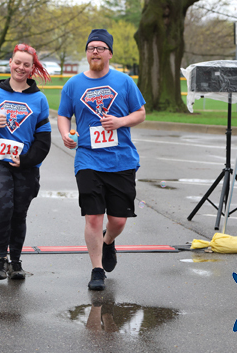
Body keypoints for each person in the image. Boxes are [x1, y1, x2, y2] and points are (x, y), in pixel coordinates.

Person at [57, 29, 146, 290]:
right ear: (87, 53)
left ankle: (108, 241)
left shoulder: (124, 82)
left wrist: (120, 122)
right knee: (94, 217)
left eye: (100, 48)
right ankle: (97, 270)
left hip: (121, 159)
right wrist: (65, 134)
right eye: (91, 48)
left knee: (118, 220)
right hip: (88, 159)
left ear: (109, 53)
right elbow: (63, 115)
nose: (95, 52)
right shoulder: (73, 85)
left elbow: (140, 113)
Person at [0, 44, 52, 280]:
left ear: (32, 68)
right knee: (3, 207)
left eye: (26, 64)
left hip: (25, 166)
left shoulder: (39, 99)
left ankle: (15, 262)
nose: (21, 67)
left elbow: (43, 140)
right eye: (17, 62)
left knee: (19, 213)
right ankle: (0, 259)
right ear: (10, 62)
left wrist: (26, 160)